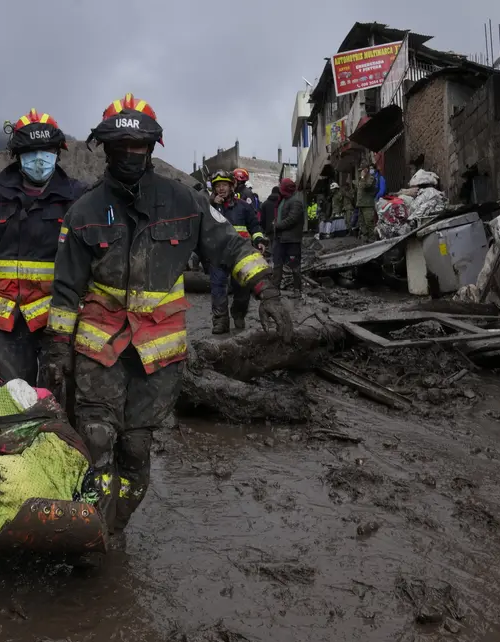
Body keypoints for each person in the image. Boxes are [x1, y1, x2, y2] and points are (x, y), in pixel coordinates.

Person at [46, 93, 293, 557]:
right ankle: (86, 531)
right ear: (105, 149)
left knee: (136, 450)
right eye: (119, 147)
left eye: (138, 147)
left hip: (156, 355)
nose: (129, 155)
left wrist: (267, 291)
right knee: (96, 438)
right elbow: (64, 292)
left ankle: (113, 529)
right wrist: (57, 352)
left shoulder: (186, 201)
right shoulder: (84, 211)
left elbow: (232, 248)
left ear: (152, 148)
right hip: (99, 349)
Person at [0, 109, 83, 385]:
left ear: (57, 153)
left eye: (46, 150)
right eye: (30, 151)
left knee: (60, 392)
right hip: (7, 321)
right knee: (13, 395)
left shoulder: (78, 200)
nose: (39, 159)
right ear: (17, 155)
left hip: (58, 320)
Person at [208, 169, 265, 334]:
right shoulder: (209, 208)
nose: (221, 189)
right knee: (218, 288)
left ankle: (238, 314)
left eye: (224, 185)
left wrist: (259, 240)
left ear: (232, 186)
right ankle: (220, 322)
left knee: (242, 289)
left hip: (239, 255)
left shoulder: (244, 207)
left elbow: (254, 226)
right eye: (217, 186)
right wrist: (214, 205)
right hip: (217, 254)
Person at [272, 178, 305, 295]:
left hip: (291, 240)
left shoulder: (295, 202)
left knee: (294, 265)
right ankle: (275, 289)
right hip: (281, 239)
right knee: (277, 264)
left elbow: (292, 219)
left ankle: (297, 290)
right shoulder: (283, 201)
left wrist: (277, 225)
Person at [355, 165, 379, 239]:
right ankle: (366, 237)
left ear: (365, 170)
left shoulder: (370, 178)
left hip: (367, 204)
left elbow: (366, 186)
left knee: (369, 223)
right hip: (361, 204)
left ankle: (373, 238)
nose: (360, 172)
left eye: (361, 170)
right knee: (361, 222)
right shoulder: (362, 179)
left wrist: (362, 177)